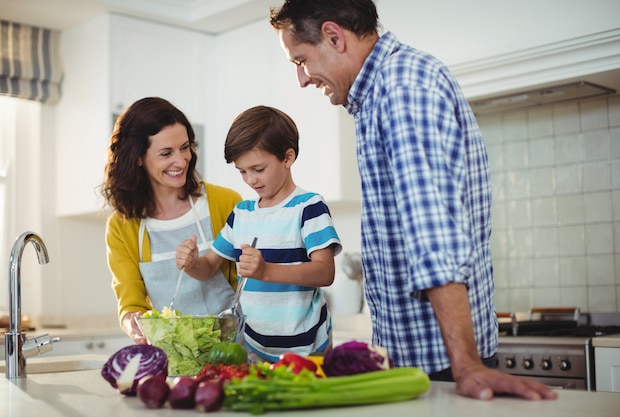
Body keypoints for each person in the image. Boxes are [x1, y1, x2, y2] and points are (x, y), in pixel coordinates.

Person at [269, 0, 557, 401]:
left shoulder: (402, 89)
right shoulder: (380, 93)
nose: (301, 79)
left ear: (334, 37)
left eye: (301, 60)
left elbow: (432, 233)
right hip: (425, 357)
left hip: (445, 363)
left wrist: (467, 366)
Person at [176, 105, 342, 362]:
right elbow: (208, 267)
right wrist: (190, 263)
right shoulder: (242, 214)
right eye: (242, 171)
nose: (250, 180)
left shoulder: (309, 207)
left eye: (258, 169)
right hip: (255, 347)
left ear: (287, 158)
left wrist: (266, 271)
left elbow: (325, 272)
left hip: (308, 346)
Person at [101, 97, 242, 344]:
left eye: (185, 147)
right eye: (166, 153)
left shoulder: (225, 203)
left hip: (235, 352)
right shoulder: (122, 227)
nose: (181, 161)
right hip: (176, 360)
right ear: (138, 158)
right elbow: (130, 300)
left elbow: (248, 285)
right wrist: (134, 323)